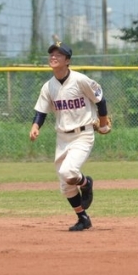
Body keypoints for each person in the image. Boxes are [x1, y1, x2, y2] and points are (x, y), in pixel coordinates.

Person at [29, 42, 110, 232]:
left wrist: (103, 123)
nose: (53, 57)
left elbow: (100, 100)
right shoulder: (48, 86)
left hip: (83, 135)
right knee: (66, 185)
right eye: (51, 54)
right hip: (62, 138)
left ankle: (86, 183)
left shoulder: (80, 80)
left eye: (59, 54)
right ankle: (83, 218)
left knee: (69, 172)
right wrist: (35, 126)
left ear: (67, 60)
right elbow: (41, 112)